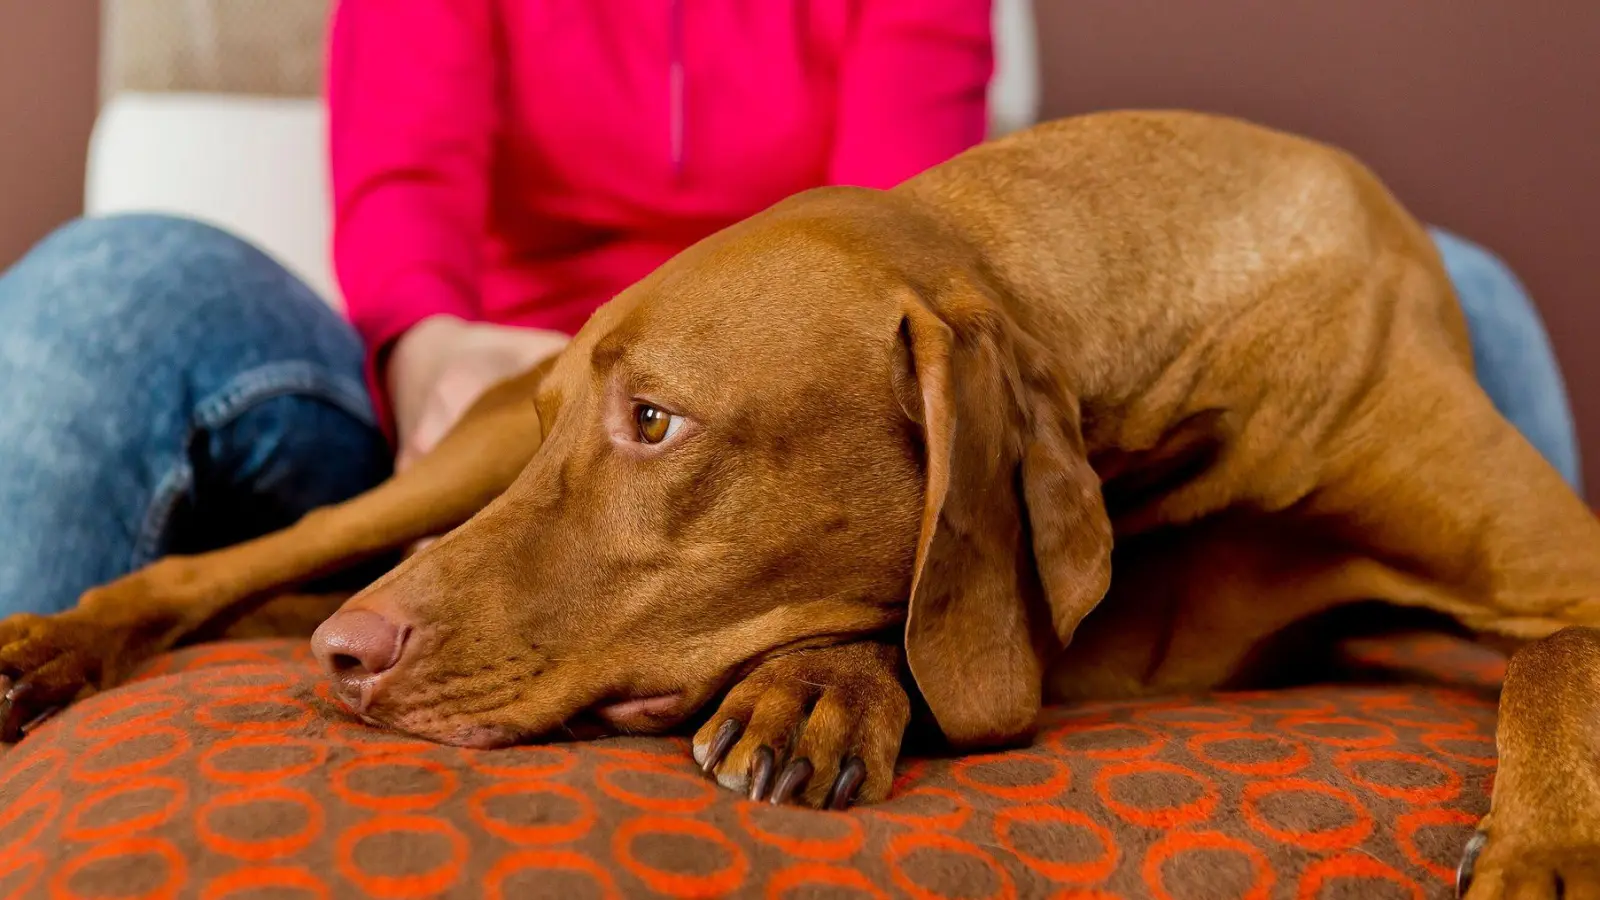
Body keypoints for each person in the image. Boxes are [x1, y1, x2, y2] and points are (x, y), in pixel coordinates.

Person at [0, 3, 1580, 620]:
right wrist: (430, 348)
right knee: (106, 282)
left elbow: (884, 250)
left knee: (1469, 288)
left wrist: (685, 428)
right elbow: (407, 191)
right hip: (478, 385)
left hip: (764, 428)